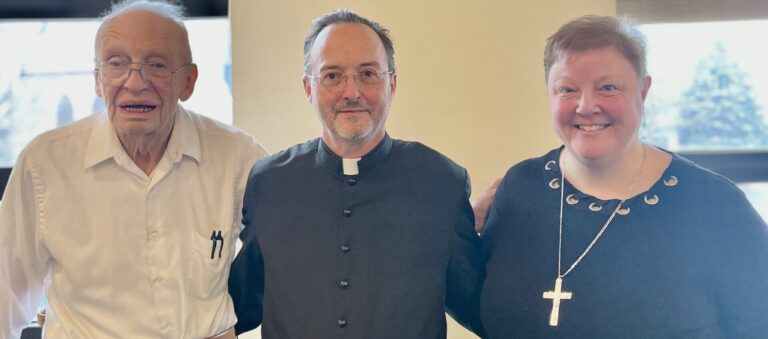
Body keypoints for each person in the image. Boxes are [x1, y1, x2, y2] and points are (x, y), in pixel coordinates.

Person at [477, 15, 768, 338]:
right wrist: (460, 228)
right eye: (567, 89)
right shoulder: (520, 188)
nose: (586, 106)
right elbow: (479, 305)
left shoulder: (714, 205)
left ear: (642, 91)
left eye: (608, 88)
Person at [0, 1, 267, 337]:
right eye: (116, 63)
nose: (135, 81)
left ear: (188, 81)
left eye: (156, 65)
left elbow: (289, 250)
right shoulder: (43, 164)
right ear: (98, 80)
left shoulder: (238, 155)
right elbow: (5, 295)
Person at [228, 8, 485, 339]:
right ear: (308, 88)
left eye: (368, 73)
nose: (352, 93)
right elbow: (236, 308)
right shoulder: (269, 183)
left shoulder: (440, 182)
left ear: (391, 83)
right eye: (332, 76)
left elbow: (482, 307)